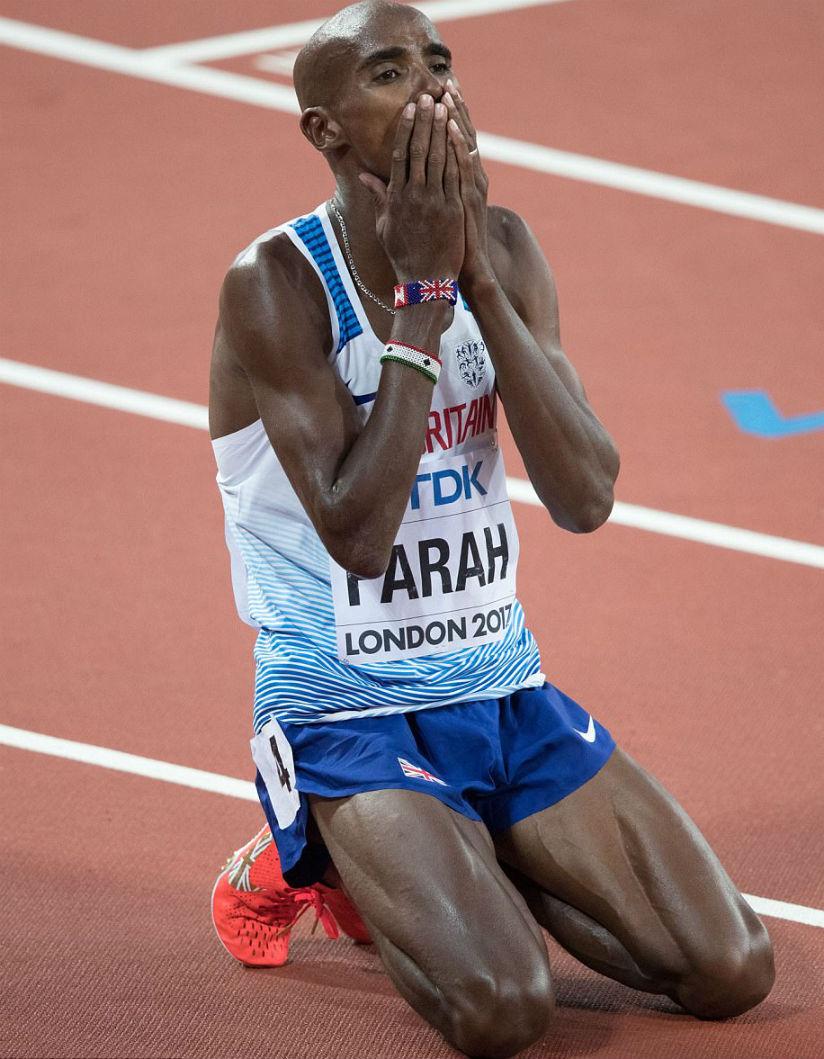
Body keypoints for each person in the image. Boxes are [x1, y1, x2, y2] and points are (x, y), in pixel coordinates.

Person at [208, 2, 774, 1055]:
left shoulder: (504, 246)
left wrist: (472, 277)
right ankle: (322, 855)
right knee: (501, 1012)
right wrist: (421, 301)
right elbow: (358, 535)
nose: (429, 89)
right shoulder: (276, 285)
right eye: (385, 74)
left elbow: (585, 497)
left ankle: (454, 838)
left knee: (730, 969)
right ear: (322, 130)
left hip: (501, 689)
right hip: (346, 713)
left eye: (438, 62)